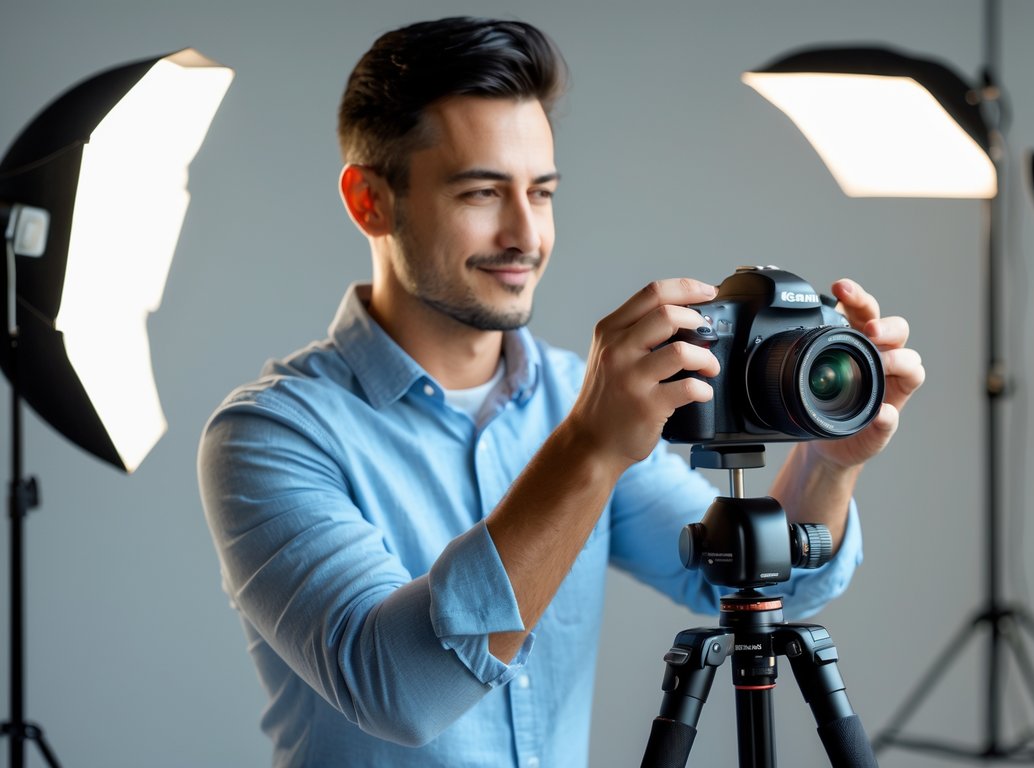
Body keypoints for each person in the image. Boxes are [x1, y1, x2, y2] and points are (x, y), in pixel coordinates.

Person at [198, 16, 924, 768]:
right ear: (369, 202)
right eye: (481, 193)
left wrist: (831, 462)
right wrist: (589, 447)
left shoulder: (579, 401)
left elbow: (753, 591)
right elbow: (400, 693)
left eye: (540, 192)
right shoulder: (269, 435)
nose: (525, 234)